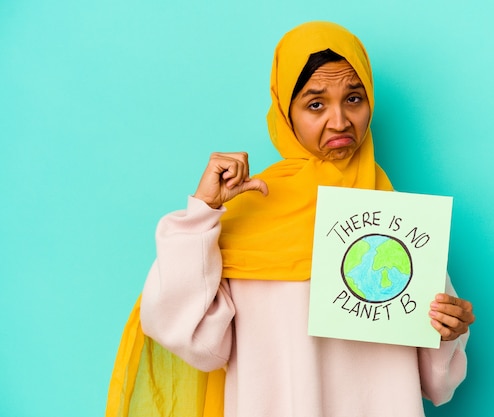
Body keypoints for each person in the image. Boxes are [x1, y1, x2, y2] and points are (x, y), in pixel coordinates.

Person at [106, 21, 474, 417]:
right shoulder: (246, 214)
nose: (339, 121)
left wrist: (448, 332)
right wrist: (201, 214)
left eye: (354, 98)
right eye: (316, 104)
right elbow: (197, 341)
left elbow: (438, 384)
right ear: (286, 111)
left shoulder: (399, 222)